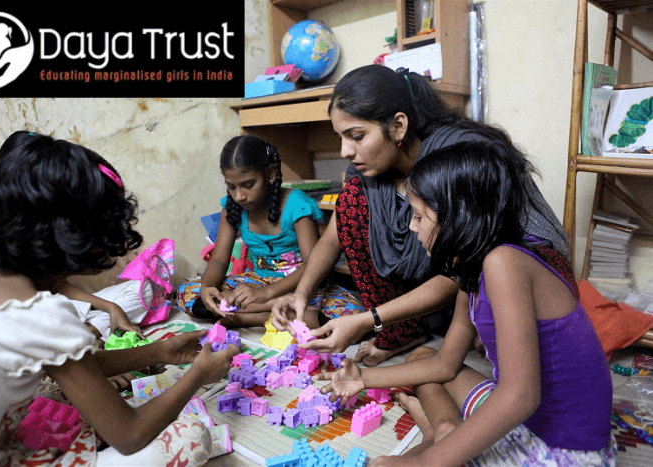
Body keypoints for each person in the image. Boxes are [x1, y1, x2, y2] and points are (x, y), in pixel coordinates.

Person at [316, 140, 615, 467]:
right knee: (423, 355)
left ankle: (436, 439)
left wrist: (425, 464)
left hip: (564, 450)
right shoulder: (473, 269)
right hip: (529, 419)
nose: (413, 227)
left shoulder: (504, 263)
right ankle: (443, 428)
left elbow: (520, 396)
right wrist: (362, 379)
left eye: (418, 216)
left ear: (456, 217)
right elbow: (444, 364)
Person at [0, 131, 239, 466]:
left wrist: (161, 350)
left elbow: (71, 363)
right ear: (74, 235)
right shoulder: (43, 314)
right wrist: (199, 375)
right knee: (190, 438)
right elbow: (129, 435)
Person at [271, 64, 570, 367]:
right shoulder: (369, 170)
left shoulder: (454, 162)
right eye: (340, 137)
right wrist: (301, 294)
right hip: (453, 271)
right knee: (350, 201)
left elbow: (461, 269)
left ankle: (475, 319)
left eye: (356, 135)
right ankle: (405, 329)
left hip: (502, 272)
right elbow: (334, 236)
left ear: (399, 126)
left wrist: (367, 320)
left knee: (498, 342)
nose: (345, 150)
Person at [0, 131, 151, 343]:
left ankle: (91, 332)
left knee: (144, 289)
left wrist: (112, 308)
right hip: (21, 329)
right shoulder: (34, 311)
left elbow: (53, 285)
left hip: (53, 312)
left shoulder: (39, 274)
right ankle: (90, 335)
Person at [176, 134, 363, 328]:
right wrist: (208, 288)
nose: (239, 195)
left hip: (302, 286)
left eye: (248, 185)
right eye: (231, 187)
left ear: (270, 173)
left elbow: (312, 264)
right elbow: (219, 259)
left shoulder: (296, 204)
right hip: (258, 282)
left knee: (351, 315)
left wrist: (267, 294)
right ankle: (275, 313)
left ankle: (247, 317)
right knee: (188, 293)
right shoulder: (232, 207)